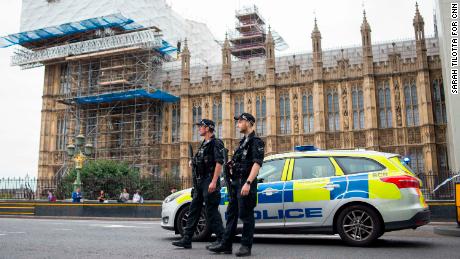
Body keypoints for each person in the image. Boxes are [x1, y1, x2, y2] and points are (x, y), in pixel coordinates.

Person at [209, 113, 264, 257]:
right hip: (235, 184)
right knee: (231, 215)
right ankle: (226, 245)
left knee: (246, 215)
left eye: (240, 121)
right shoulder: (242, 143)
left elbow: (257, 163)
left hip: (245, 184)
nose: (237, 124)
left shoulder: (256, 142)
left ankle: (246, 246)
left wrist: (248, 183)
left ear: (249, 122)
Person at [172, 119, 225, 250]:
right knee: (193, 210)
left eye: (201, 126)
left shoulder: (216, 143)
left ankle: (222, 240)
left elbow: (219, 162)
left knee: (211, 210)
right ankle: (187, 239)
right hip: (200, 182)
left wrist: (213, 181)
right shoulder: (203, 144)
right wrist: (193, 162)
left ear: (207, 128)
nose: (199, 129)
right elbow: (200, 161)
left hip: (209, 180)